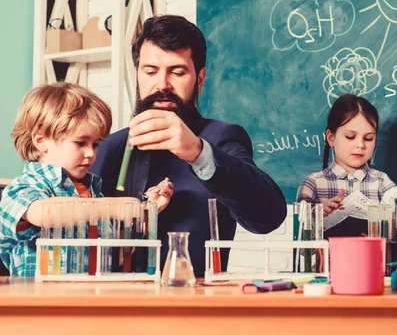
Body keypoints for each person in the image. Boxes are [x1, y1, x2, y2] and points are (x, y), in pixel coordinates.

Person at [91, 15, 287, 277]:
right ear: (137, 76)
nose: (162, 84)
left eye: (177, 72)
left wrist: (198, 152)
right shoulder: (108, 146)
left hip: (196, 307)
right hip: (116, 306)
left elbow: (268, 218)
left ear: (200, 79)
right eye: (150, 71)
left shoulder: (222, 138)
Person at [0, 82, 173, 276]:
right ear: (41, 140)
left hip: (92, 298)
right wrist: (114, 207)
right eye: (80, 143)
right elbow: (43, 213)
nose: (90, 153)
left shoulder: (93, 191)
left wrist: (144, 212)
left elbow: (118, 257)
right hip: (42, 302)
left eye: (96, 144)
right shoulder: (23, 187)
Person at [296, 94, 395, 237]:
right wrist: (317, 213)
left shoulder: (383, 183)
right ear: (331, 138)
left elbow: (395, 232)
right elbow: (300, 241)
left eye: (368, 138)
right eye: (350, 137)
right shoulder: (312, 184)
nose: (360, 145)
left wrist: (379, 235)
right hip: (328, 259)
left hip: (371, 258)